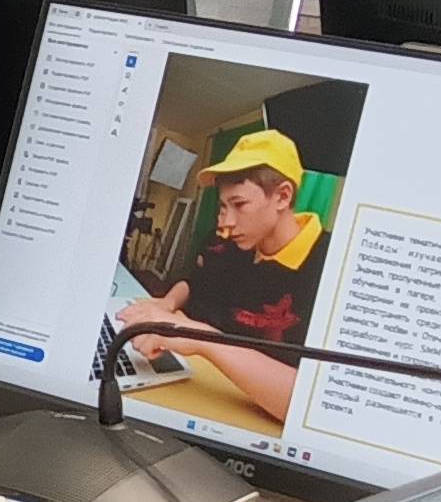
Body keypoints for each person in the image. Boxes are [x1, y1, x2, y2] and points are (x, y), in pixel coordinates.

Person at [112, 128, 326, 424]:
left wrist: (200, 337)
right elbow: (196, 281)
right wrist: (167, 303)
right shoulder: (236, 243)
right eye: (224, 207)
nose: (227, 222)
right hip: (200, 386)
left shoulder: (330, 266)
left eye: (239, 205)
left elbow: (314, 405)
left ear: (282, 196)